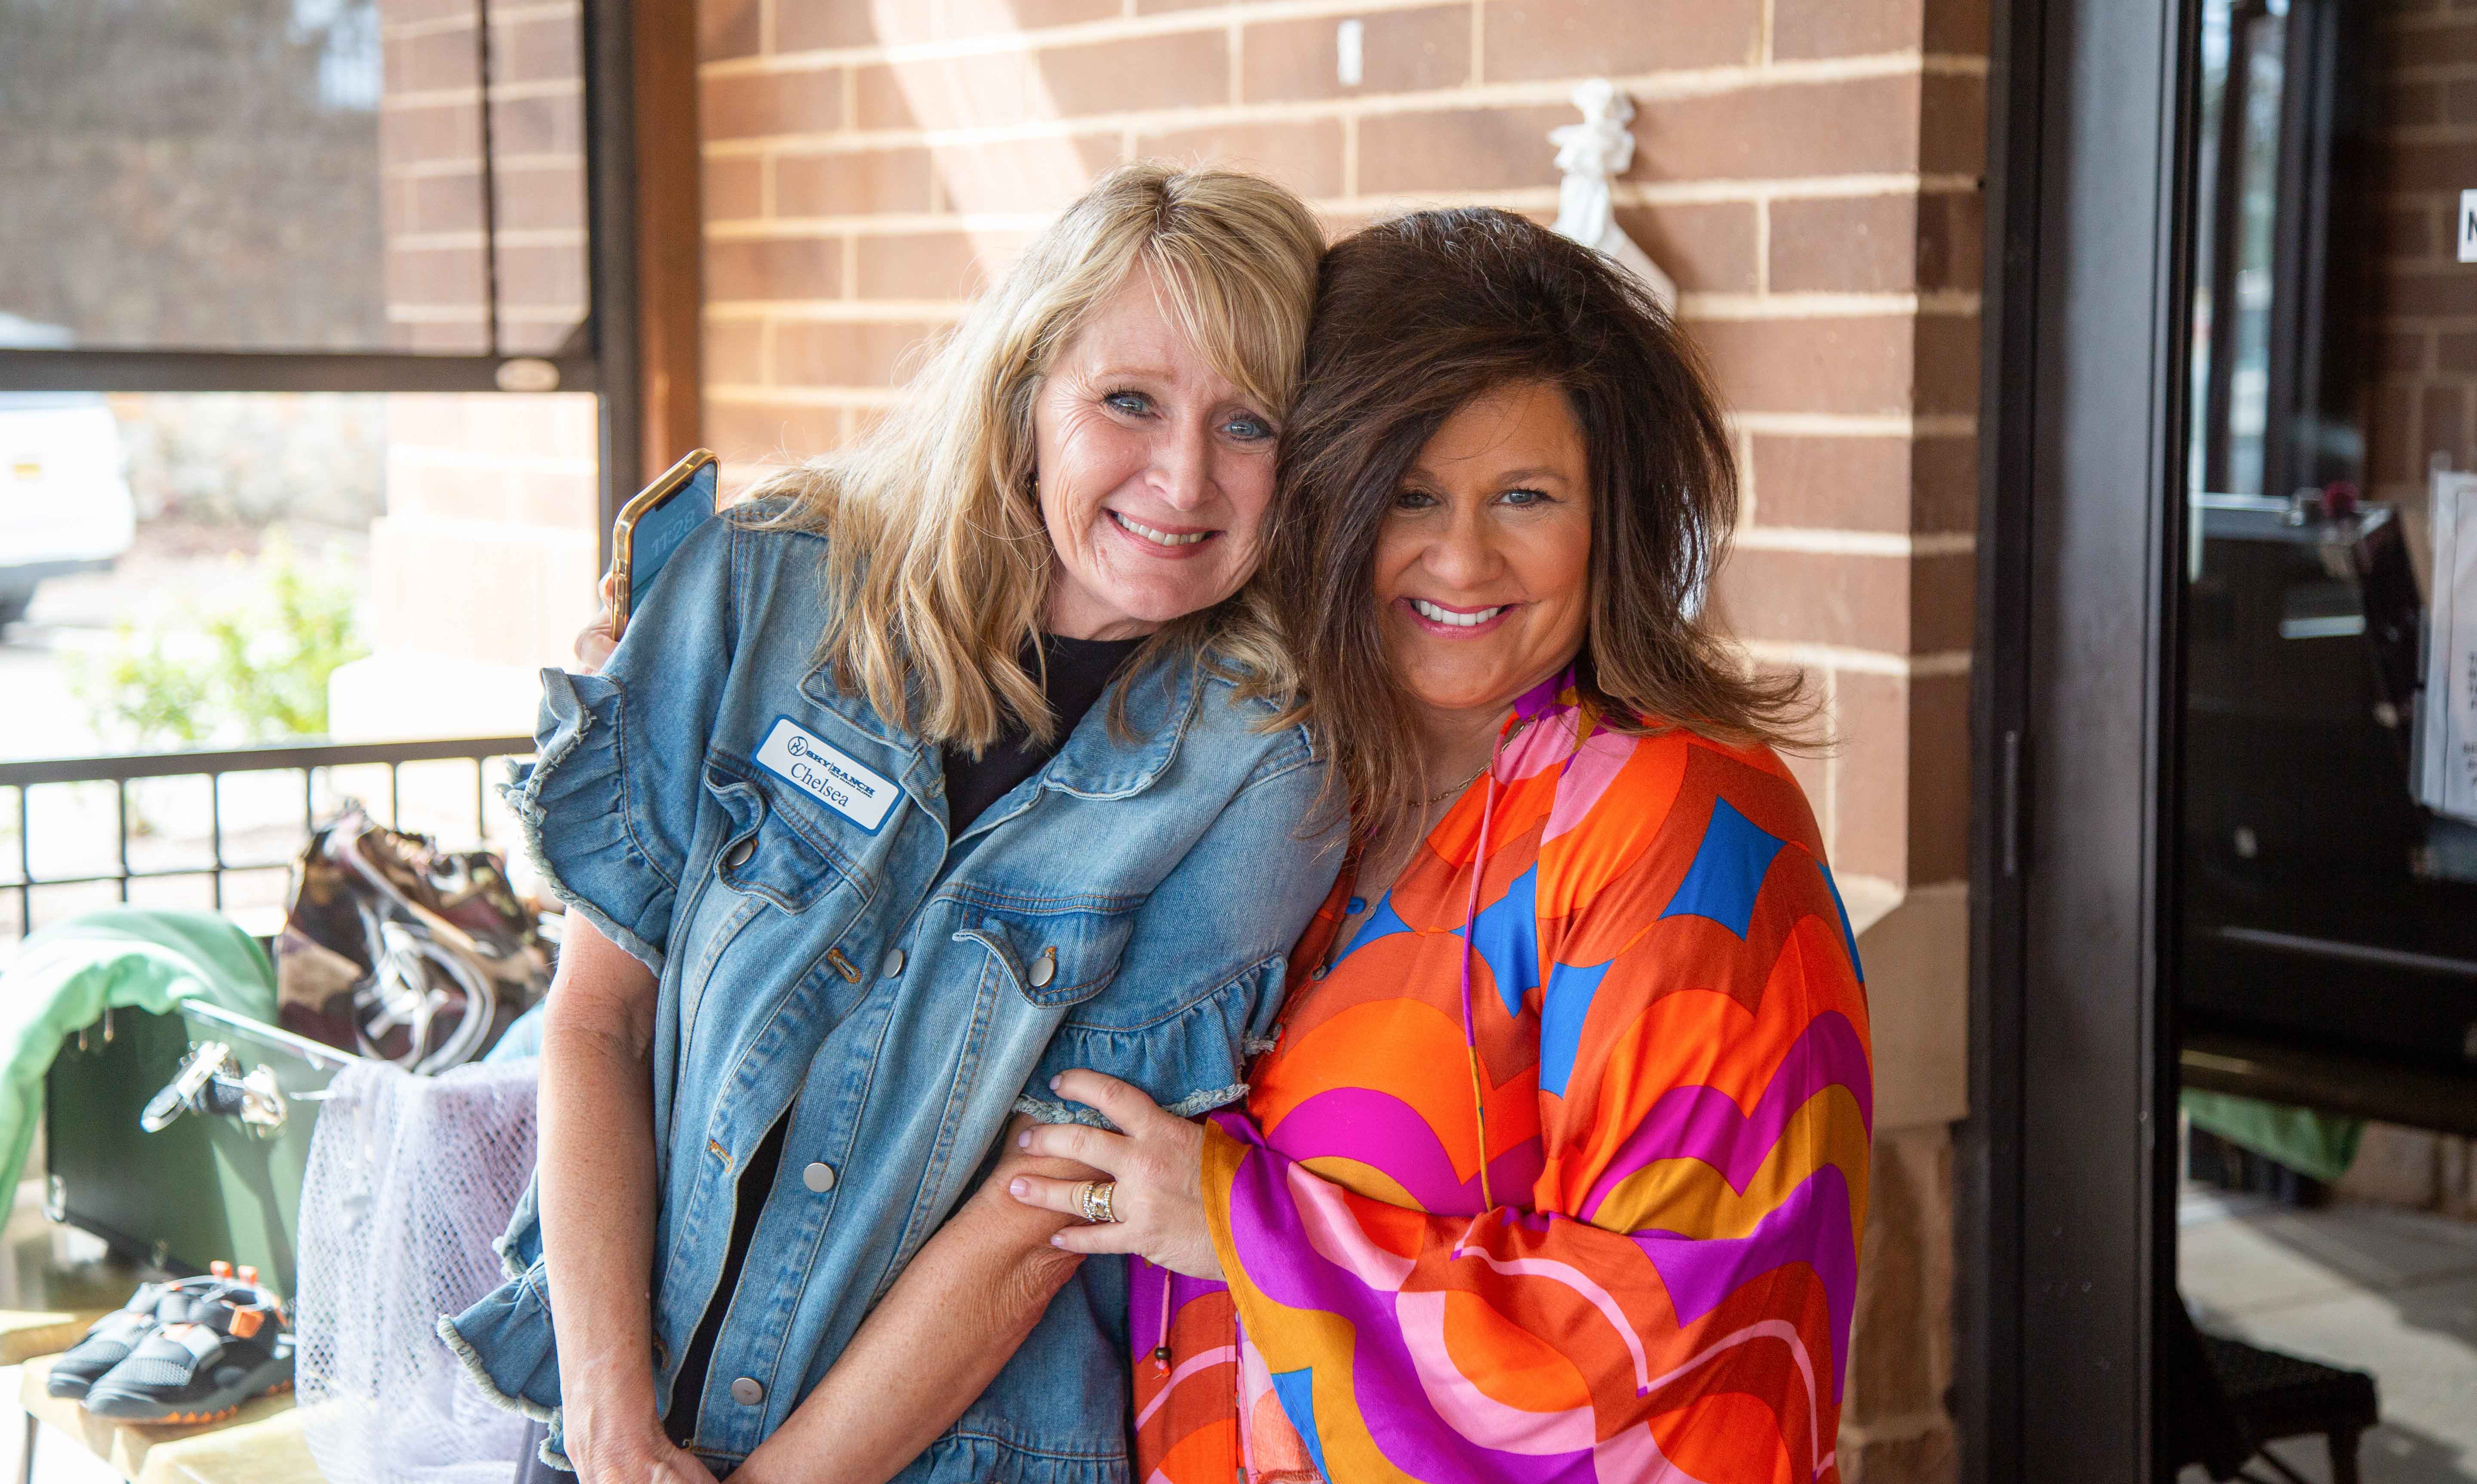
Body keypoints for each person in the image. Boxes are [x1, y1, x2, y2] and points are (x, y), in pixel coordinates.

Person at [897, 207, 1872, 1482]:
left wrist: (1235, 1223)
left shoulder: (1685, 826)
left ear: (1613, 520)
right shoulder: (1289, 782)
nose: (1461, 558)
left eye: (1525, 497)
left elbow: (1691, 1346)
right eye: (1409, 495)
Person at [440, 164, 1345, 1484]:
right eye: (1129, 401)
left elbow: (1050, 1201)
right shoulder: (764, 581)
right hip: (612, 1419)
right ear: (1027, 390)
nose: (1183, 476)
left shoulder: (1264, 766)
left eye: (1249, 424)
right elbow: (597, 1022)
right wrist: (613, 1427)